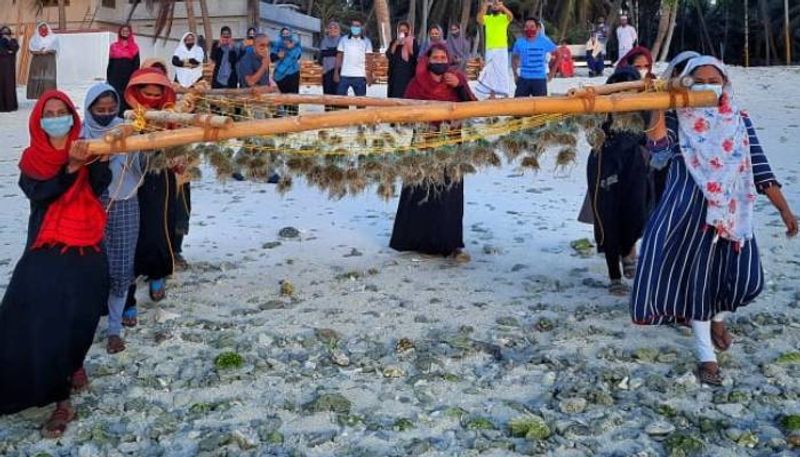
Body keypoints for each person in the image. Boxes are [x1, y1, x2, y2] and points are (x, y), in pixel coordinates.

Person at [632, 56, 798, 386]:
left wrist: (784, 210)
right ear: (688, 82)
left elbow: (761, 168)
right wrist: (661, 101)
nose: (710, 84)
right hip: (687, 212)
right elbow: (657, 147)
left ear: (725, 84)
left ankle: (719, 317)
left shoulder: (739, 121)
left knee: (743, 279)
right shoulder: (678, 119)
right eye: (701, 79)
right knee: (697, 284)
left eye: (716, 79)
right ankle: (705, 355)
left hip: (734, 212)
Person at [0, 90, 111, 438]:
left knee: (80, 315)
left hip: (87, 244)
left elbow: (99, 188)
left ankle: (65, 387)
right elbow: (39, 193)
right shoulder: (31, 159)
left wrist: (95, 163)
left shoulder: (89, 147)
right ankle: (29, 385)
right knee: (25, 313)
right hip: (46, 246)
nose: (55, 116)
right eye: (48, 112)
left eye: (61, 111)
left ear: (72, 115)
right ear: (38, 120)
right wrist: (70, 168)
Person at [390, 44, 476, 262]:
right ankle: (414, 241)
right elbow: (405, 109)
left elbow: (473, 106)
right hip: (424, 144)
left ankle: (449, 243)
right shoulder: (417, 83)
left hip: (451, 145)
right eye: (435, 57)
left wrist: (459, 86)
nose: (439, 60)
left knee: (449, 193)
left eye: (443, 56)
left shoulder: (457, 79)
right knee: (419, 189)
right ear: (428, 61)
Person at [80, 83, 143, 354]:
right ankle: (85, 328)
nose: (106, 114)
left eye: (111, 108)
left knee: (121, 264)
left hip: (126, 200)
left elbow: (143, 163)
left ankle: (114, 329)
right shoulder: (81, 135)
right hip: (88, 206)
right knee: (91, 267)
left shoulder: (128, 130)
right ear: (89, 109)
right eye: (100, 110)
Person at [586, 68, 652, 295]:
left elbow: (647, 133)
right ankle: (614, 274)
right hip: (604, 161)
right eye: (619, 84)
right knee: (608, 218)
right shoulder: (600, 104)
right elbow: (590, 134)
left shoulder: (644, 104)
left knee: (636, 213)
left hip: (633, 164)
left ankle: (628, 250)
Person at [123, 68, 178, 312]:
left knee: (157, 222)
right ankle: (132, 273)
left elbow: (179, 142)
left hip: (159, 171)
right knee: (133, 225)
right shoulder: (124, 114)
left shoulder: (171, 113)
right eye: (147, 93)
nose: (152, 98)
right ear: (136, 90)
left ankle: (158, 272)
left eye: (158, 94)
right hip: (129, 173)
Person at [511, 17, 558, 97]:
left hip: (540, 79)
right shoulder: (519, 43)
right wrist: (515, 74)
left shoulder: (544, 41)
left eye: (532, 27)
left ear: (538, 28)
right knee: (518, 106)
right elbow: (514, 58)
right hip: (523, 79)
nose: (529, 29)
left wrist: (552, 73)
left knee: (541, 107)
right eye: (526, 27)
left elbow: (558, 54)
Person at [476, 0, 513, 98]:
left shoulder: (504, 18)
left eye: (497, 5)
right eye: (494, 6)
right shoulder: (488, 18)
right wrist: (485, 5)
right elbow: (479, 19)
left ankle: (505, 93)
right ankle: (492, 94)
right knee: (490, 71)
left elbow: (511, 16)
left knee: (502, 70)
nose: (495, 6)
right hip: (490, 48)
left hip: (501, 48)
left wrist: (502, 7)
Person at [106, 25, 140, 116]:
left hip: (128, 77)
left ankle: (126, 115)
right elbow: (110, 63)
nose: (125, 32)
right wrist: (109, 77)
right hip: (115, 77)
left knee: (126, 96)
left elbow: (136, 64)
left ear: (130, 33)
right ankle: (115, 115)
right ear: (120, 32)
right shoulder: (114, 46)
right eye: (123, 30)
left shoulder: (134, 47)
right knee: (115, 96)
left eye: (127, 31)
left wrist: (134, 78)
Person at [335, 19, 373, 97]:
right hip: (344, 75)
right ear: (350, 27)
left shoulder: (366, 41)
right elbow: (339, 57)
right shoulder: (343, 40)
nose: (355, 28)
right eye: (353, 26)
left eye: (357, 26)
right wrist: (336, 73)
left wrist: (370, 75)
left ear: (361, 27)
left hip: (360, 76)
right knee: (340, 101)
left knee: (361, 102)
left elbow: (369, 60)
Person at [272, 28, 302, 116]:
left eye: (287, 33)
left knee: (293, 97)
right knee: (284, 97)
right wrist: (278, 56)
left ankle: (294, 118)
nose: (285, 35)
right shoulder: (277, 44)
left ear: (290, 34)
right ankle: (285, 118)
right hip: (280, 75)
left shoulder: (296, 45)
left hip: (293, 73)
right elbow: (272, 58)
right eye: (283, 33)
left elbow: (299, 55)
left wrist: (292, 46)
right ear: (280, 34)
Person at [386, 21, 418, 99]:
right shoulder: (394, 41)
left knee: (406, 94)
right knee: (395, 94)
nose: (403, 32)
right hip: (395, 74)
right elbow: (389, 54)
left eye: (405, 30)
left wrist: (407, 44)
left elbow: (415, 55)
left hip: (408, 73)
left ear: (408, 30)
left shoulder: (413, 41)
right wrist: (396, 44)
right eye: (401, 30)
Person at [27, 22, 59, 100]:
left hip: (49, 59)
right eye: (41, 28)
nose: (43, 30)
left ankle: (49, 94)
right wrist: (39, 51)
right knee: (37, 76)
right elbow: (31, 48)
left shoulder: (53, 37)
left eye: (45, 28)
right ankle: (36, 95)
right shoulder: (34, 38)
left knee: (48, 77)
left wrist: (48, 50)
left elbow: (56, 48)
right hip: (37, 59)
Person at [319, 21, 342, 99]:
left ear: (339, 30)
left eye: (335, 28)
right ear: (327, 30)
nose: (333, 29)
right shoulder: (324, 41)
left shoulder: (343, 41)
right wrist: (336, 51)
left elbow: (342, 53)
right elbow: (323, 54)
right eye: (330, 28)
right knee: (328, 94)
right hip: (326, 71)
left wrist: (331, 52)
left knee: (339, 94)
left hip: (340, 70)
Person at [0, 25, 19, 112]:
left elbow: (15, 48)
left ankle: (10, 106)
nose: (5, 34)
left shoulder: (13, 40)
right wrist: (8, 52)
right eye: (4, 32)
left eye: (7, 32)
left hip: (9, 67)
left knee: (9, 85)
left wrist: (9, 40)